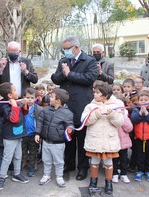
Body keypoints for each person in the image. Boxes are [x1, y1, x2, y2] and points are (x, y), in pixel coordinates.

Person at [51, 36, 98, 180]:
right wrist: (64, 74)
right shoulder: (63, 61)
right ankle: (68, 164)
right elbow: (55, 78)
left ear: (76, 47)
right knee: (68, 136)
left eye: (67, 48)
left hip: (82, 105)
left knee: (82, 138)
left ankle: (82, 168)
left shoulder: (89, 60)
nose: (65, 51)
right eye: (64, 49)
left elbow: (90, 78)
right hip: (66, 105)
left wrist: (70, 74)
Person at [82, 83, 124, 195]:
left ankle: (108, 182)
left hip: (109, 140)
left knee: (108, 162)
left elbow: (120, 122)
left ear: (105, 95)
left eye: (97, 92)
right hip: (95, 140)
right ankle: (93, 181)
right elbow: (84, 121)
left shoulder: (115, 106)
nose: (94, 94)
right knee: (94, 161)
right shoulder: (90, 106)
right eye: (94, 92)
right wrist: (96, 114)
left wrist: (112, 115)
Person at [35, 88, 73, 187]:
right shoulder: (46, 110)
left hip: (58, 143)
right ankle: (47, 175)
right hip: (46, 142)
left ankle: (59, 176)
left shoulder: (67, 113)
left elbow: (70, 125)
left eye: (51, 96)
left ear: (58, 100)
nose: (49, 98)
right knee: (46, 159)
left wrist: (70, 130)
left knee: (59, 161)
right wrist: (37, 133)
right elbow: (40, 122)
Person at [0, 82, 29, 191]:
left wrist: (24, 105)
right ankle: (1, 177)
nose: (17, 91)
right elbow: (13, 119)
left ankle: (16, 174)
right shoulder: (5, 106)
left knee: (18, 155)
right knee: (7, 158)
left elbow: (24, 113)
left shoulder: (16, 102)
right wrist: (14, 105)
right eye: (14, 90)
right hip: (10, 136)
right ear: (9, 95)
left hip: (18, 134)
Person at [130, 90, 149, 182]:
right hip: (139, 138)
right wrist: (140, 113)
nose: (143, 102)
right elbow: (134, 119)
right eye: (141, 100)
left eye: (145, 100)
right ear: (138, 101)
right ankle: (140, 171)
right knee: (140, 156)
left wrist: (146, 112)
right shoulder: (136, 109)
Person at [112, 94, 133, 184]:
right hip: (113, 143)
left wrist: (123, 119)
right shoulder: (111, 117)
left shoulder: (125, 117)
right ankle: (115, 173)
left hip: (123, 143)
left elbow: (129, 128)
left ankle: (124, 174)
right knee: (114, 159)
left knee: (124, 159)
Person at [22, 87, 42, 177]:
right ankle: (22, 164)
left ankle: (31, 167)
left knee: (33, 152)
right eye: (27, 97)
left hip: (33, 134)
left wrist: (39, 134)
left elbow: (41, 123)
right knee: (22, 151)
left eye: (32, 98)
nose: (29, 100)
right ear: (23, 97)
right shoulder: (20, 107)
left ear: (36, 98)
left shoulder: (39, 109)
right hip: (22, 134)